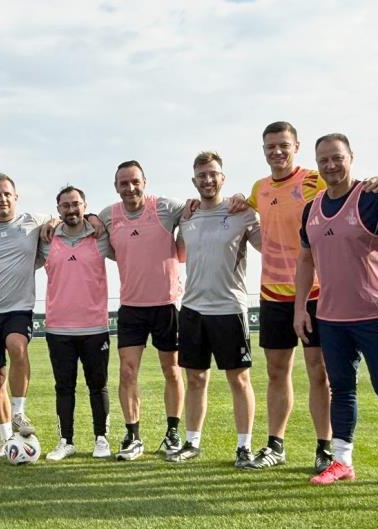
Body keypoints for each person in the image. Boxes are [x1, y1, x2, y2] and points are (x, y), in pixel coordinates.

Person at [294, 134, 378, 491]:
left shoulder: (373, 199)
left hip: (375, 316)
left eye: (337, 157)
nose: (330, 165)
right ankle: (342, 461)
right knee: (341, 389)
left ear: (351, 157)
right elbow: (305, 261)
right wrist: (300, 308)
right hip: (331, 318)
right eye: (323, 160)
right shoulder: (311, 209)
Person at [242, 122, 333, 472]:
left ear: (296, 146)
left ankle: (324, 448)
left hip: (315, 291)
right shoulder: (259, 188)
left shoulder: (315, 180)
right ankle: (275, 445)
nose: (277, 152)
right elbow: (244, 210)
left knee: (318, 372)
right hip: (272, 293)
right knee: (277, 372)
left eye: (283, 145)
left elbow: (347, 196)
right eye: (270, 147)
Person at [170, 152, 259, 467]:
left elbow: (268, 244)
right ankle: (191, 443)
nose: (207, 180)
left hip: (229, 308)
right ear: (194, 181)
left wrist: (254, 203)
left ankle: (244, 447)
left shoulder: (242, 212)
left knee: (239, 380)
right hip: (192, 309)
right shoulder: (187, 216)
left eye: (213, 174)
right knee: (195, 379)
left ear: (223, 177)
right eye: (201, 175)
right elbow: (180, 254)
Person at [99, 160, 186, 461]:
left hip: (166, 304)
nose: (130, 187)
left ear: (144, 182)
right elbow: (98, 236)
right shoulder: (108, 216)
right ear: (116, 187)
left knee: (171, 370)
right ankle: (133, 435)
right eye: (124, 183)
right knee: (127, 371)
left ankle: (173, 431)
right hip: (131, 307)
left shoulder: (165, 207)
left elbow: (196, 208)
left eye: (135, 181)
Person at [0, 173, 52, 457]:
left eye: (7, 194)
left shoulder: (33, 221)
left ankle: (18, 412)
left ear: (16, 197)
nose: (2, 199)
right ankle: (6, 439)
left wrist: (52, 223)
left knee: (17, 346)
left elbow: (58, 219)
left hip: (18, 307)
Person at [38, 186, 113, 461]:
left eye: (76, 204)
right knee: (64, 387)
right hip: (58, 328)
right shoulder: (46, 240)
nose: (71, 209)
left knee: (98, 385)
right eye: (65, 205)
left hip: (95, 327)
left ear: (85, 206)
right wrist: (48, 222)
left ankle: (101, 438)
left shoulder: (100, 237)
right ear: (58, 209)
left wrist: (95, 219)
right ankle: (66, 441)